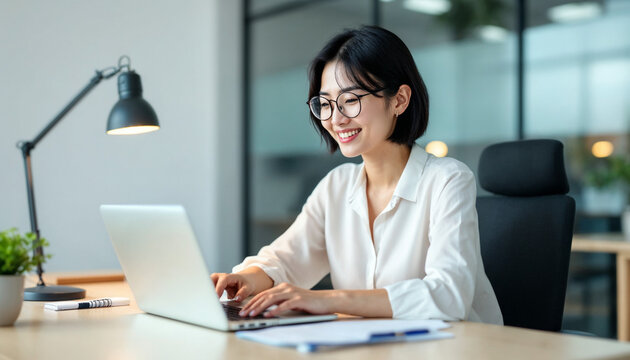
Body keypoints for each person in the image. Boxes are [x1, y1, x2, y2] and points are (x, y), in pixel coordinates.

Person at [211, 26, 503, 324]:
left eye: (350, 99)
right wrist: (245, 279)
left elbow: (448, 296)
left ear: (400, 100)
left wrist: (328, 300)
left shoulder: (447, 180)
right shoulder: (336, 186)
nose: (336, 119)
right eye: (324, 104)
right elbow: (286, 258)